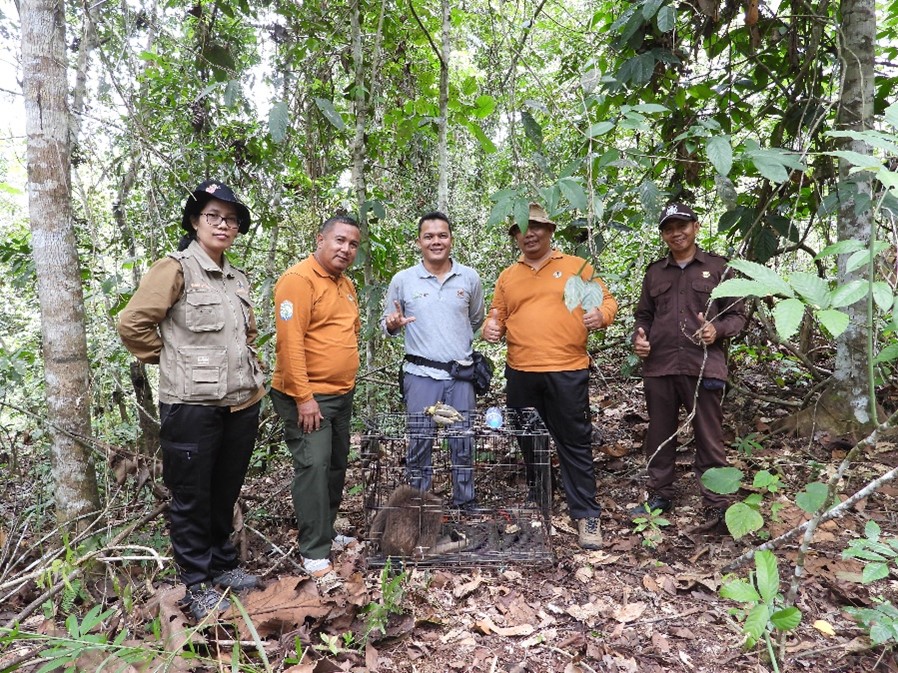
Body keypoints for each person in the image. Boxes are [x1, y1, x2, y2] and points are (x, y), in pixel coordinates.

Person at [117, 180, 264, 621]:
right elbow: (133, 324)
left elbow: (247, 335)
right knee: (191, 496)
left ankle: (222, 564)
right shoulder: (175, 268)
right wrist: (171, 359)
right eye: (213, 216)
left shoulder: (236, 277)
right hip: (191, 406)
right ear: (196, 221)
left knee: (225, 491)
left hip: (240, 402)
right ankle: (196, 581)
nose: (222, 225)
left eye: (231, 219)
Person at [482, 203, 617, 550]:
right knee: (528, 438)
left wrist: (600, 316)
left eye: (536, 227)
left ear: (549, 231)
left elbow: (608, 302)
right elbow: (497, 313)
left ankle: (586, 513)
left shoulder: (575, 267)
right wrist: (491, 325)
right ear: (515, 236)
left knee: (573, 440)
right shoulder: (508, 276)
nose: (529, 234)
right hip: (521, 371)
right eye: (521, 229)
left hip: (567, 369)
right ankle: (540, 494)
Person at [630, 202, 746, 530]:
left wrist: (717, 330)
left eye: (682, 225)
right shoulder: (655, 272)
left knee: (709, 436)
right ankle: (659, 495)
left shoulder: (719, 267)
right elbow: (644, 316)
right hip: (660, 366)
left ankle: (717, 504)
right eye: (669, 228)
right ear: (663, 234)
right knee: (659, 434)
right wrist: (639, 339)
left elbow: (738, 315)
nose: (676, 233)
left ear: (695, 226)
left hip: (704, 366)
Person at [269, 214, 361, 591]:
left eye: (353, 244)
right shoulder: (298, 280)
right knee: (313, 466)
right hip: (308, 397)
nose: (346, 249)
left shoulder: (346, 284)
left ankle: (327, 530)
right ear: (321, 238)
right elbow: (290, 344)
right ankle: (313, 552)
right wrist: (304, 398)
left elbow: (348, 331)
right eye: (339, 240)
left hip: (341, 393)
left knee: (337, 464)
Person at [382, 211, 485, 510]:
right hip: (420, 375)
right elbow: (387, 322)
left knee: (463, 441)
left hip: (460, 375)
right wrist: (392, 325)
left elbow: (475, 318)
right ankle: (419, 504)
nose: (436, 241)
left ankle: (465, 501)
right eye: (429, 236)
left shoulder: (469, 277)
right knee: (420, 443)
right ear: (419, 242)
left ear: (451, 239)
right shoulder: (403, 280)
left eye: (442, 235)